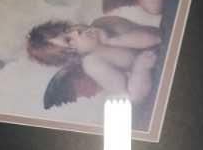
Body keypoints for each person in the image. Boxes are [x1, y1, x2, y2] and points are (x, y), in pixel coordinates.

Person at [26, 19, 160, 107]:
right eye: (69, 40)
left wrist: (113, 40)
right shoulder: (92, 63)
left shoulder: (103, 23)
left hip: (156, 50)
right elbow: (132, 97)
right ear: (74, 55)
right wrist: (140, 69)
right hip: (144, 76)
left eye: (67, 29)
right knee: (135, 89)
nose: (76, 32)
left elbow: (156, 36)